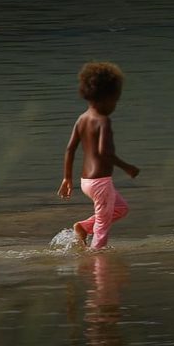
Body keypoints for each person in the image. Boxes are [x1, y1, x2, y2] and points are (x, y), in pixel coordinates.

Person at [57, 62, 140, 249]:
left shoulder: (82, 119)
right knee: (102, 230)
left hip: (86, 181)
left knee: (120, 209)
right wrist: (127, 167)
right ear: (105, 98)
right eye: (114, 100)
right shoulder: (103, 121)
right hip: (101, 182)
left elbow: (70, 149)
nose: (114, 105)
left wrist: (67, 178)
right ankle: (98, 263)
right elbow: (105, 153)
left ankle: (84, 227)